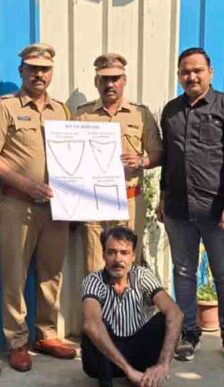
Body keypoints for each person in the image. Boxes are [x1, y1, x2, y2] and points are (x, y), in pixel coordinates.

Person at [0, 43, 76, 372]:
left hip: (56, 208)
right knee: (14, 275)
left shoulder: (62, 111)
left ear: (52, 73)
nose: (39, 75)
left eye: (45, 69)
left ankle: (46, 334)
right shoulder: (4, 108)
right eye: (33, 69)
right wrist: (26, 185)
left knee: (52, 273)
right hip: (16, 204)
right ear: (21, 71)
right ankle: (17, 341)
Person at [158, 47, 224, 363]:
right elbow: (169, 160)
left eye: (197, 70)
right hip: (178, 210)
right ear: (179, 75)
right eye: (185, 71)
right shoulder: (171, 111)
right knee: (183, 272)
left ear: (210, 72)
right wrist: (162, 197)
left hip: (217, 211)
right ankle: (189, 333)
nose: (191, 76)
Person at [74, 53, 163, 272]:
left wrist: (141, 161)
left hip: (129, 200)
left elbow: (158, 154)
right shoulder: (83, 115)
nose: (110, 84)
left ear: (124, 81)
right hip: (93, 201)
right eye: (104, 79)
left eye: (115, 79)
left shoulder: (140, 114)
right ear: (96, 82)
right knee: (94, 268)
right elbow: (71, 159)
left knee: (127, 268)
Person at [81, 227, 182, 387]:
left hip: (137, 351)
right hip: (104, 361)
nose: (118, 259)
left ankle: (143, 373)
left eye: (124, 253)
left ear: (133, 256)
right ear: (103, 255)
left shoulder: (142, 276)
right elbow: (91, 324)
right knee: (95, 325)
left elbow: (175, 313)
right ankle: (105, 385)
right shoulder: (93, 281)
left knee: (166, 318)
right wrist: (129, 371)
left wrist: (163, 364)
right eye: (111, 252)